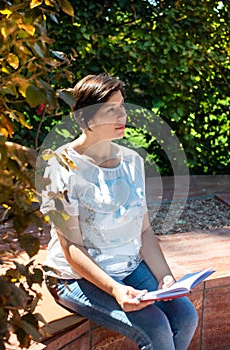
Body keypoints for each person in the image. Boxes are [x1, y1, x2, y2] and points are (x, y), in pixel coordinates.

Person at [40, 73, 198, 350]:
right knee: (157, 329)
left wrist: (165, 276)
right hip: (74, 276)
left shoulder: (132, 161)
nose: (121, 115)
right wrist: (115, 289)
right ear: (85, 119)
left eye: (122, 106)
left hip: (127, 267)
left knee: (185, 316)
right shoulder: (60, 167)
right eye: (110, 109)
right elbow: (71, 248)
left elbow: (144, 229)